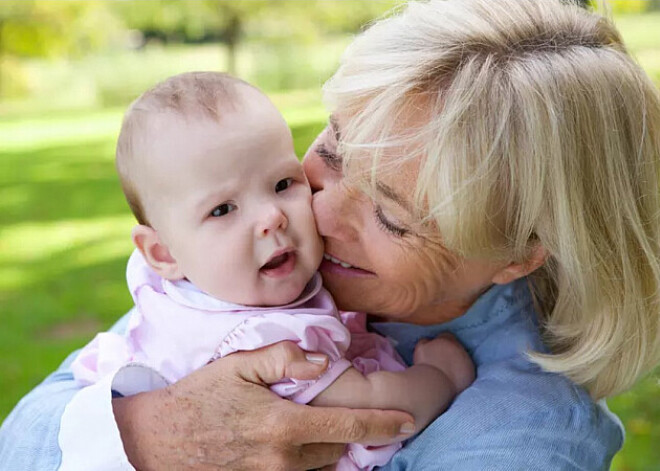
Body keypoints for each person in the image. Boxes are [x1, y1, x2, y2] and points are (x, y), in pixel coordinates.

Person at [2, 0, 660, 469]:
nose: (314, 213)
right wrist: (148, 436)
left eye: (391, 216)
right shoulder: (260, 279)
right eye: (335, 152)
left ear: (517, 254)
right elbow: (19, 439)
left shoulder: (518, 436)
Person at [62, 71, 473, 471]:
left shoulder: (178, 294)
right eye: (222, 209)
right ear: (162, 252)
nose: (272, 217)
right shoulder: (268, 339)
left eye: (282, 184)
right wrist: (440, 376)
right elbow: (374, 408)